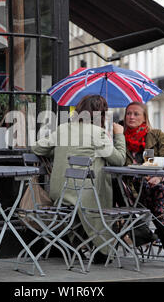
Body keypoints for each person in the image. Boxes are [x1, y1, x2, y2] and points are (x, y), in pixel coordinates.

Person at [31, 95, 125, 264]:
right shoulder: (98, 133)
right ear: (101, 114)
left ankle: (72, 243)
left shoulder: (62, 128)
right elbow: (119, 160)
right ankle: (103, 250)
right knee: (101, 193)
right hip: (84, 195)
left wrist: (60, 150)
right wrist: (119, 136)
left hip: (58, 193)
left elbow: (37, 147)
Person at [119, 101, 164, 259]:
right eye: (128, 113)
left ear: (144, 118)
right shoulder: (120, 139)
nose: (131, 117)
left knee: (157, 188)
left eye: (136, 114)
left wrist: (158, 176)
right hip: (137, 192)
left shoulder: (157, 136)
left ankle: (163, 235)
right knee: (154, 190)